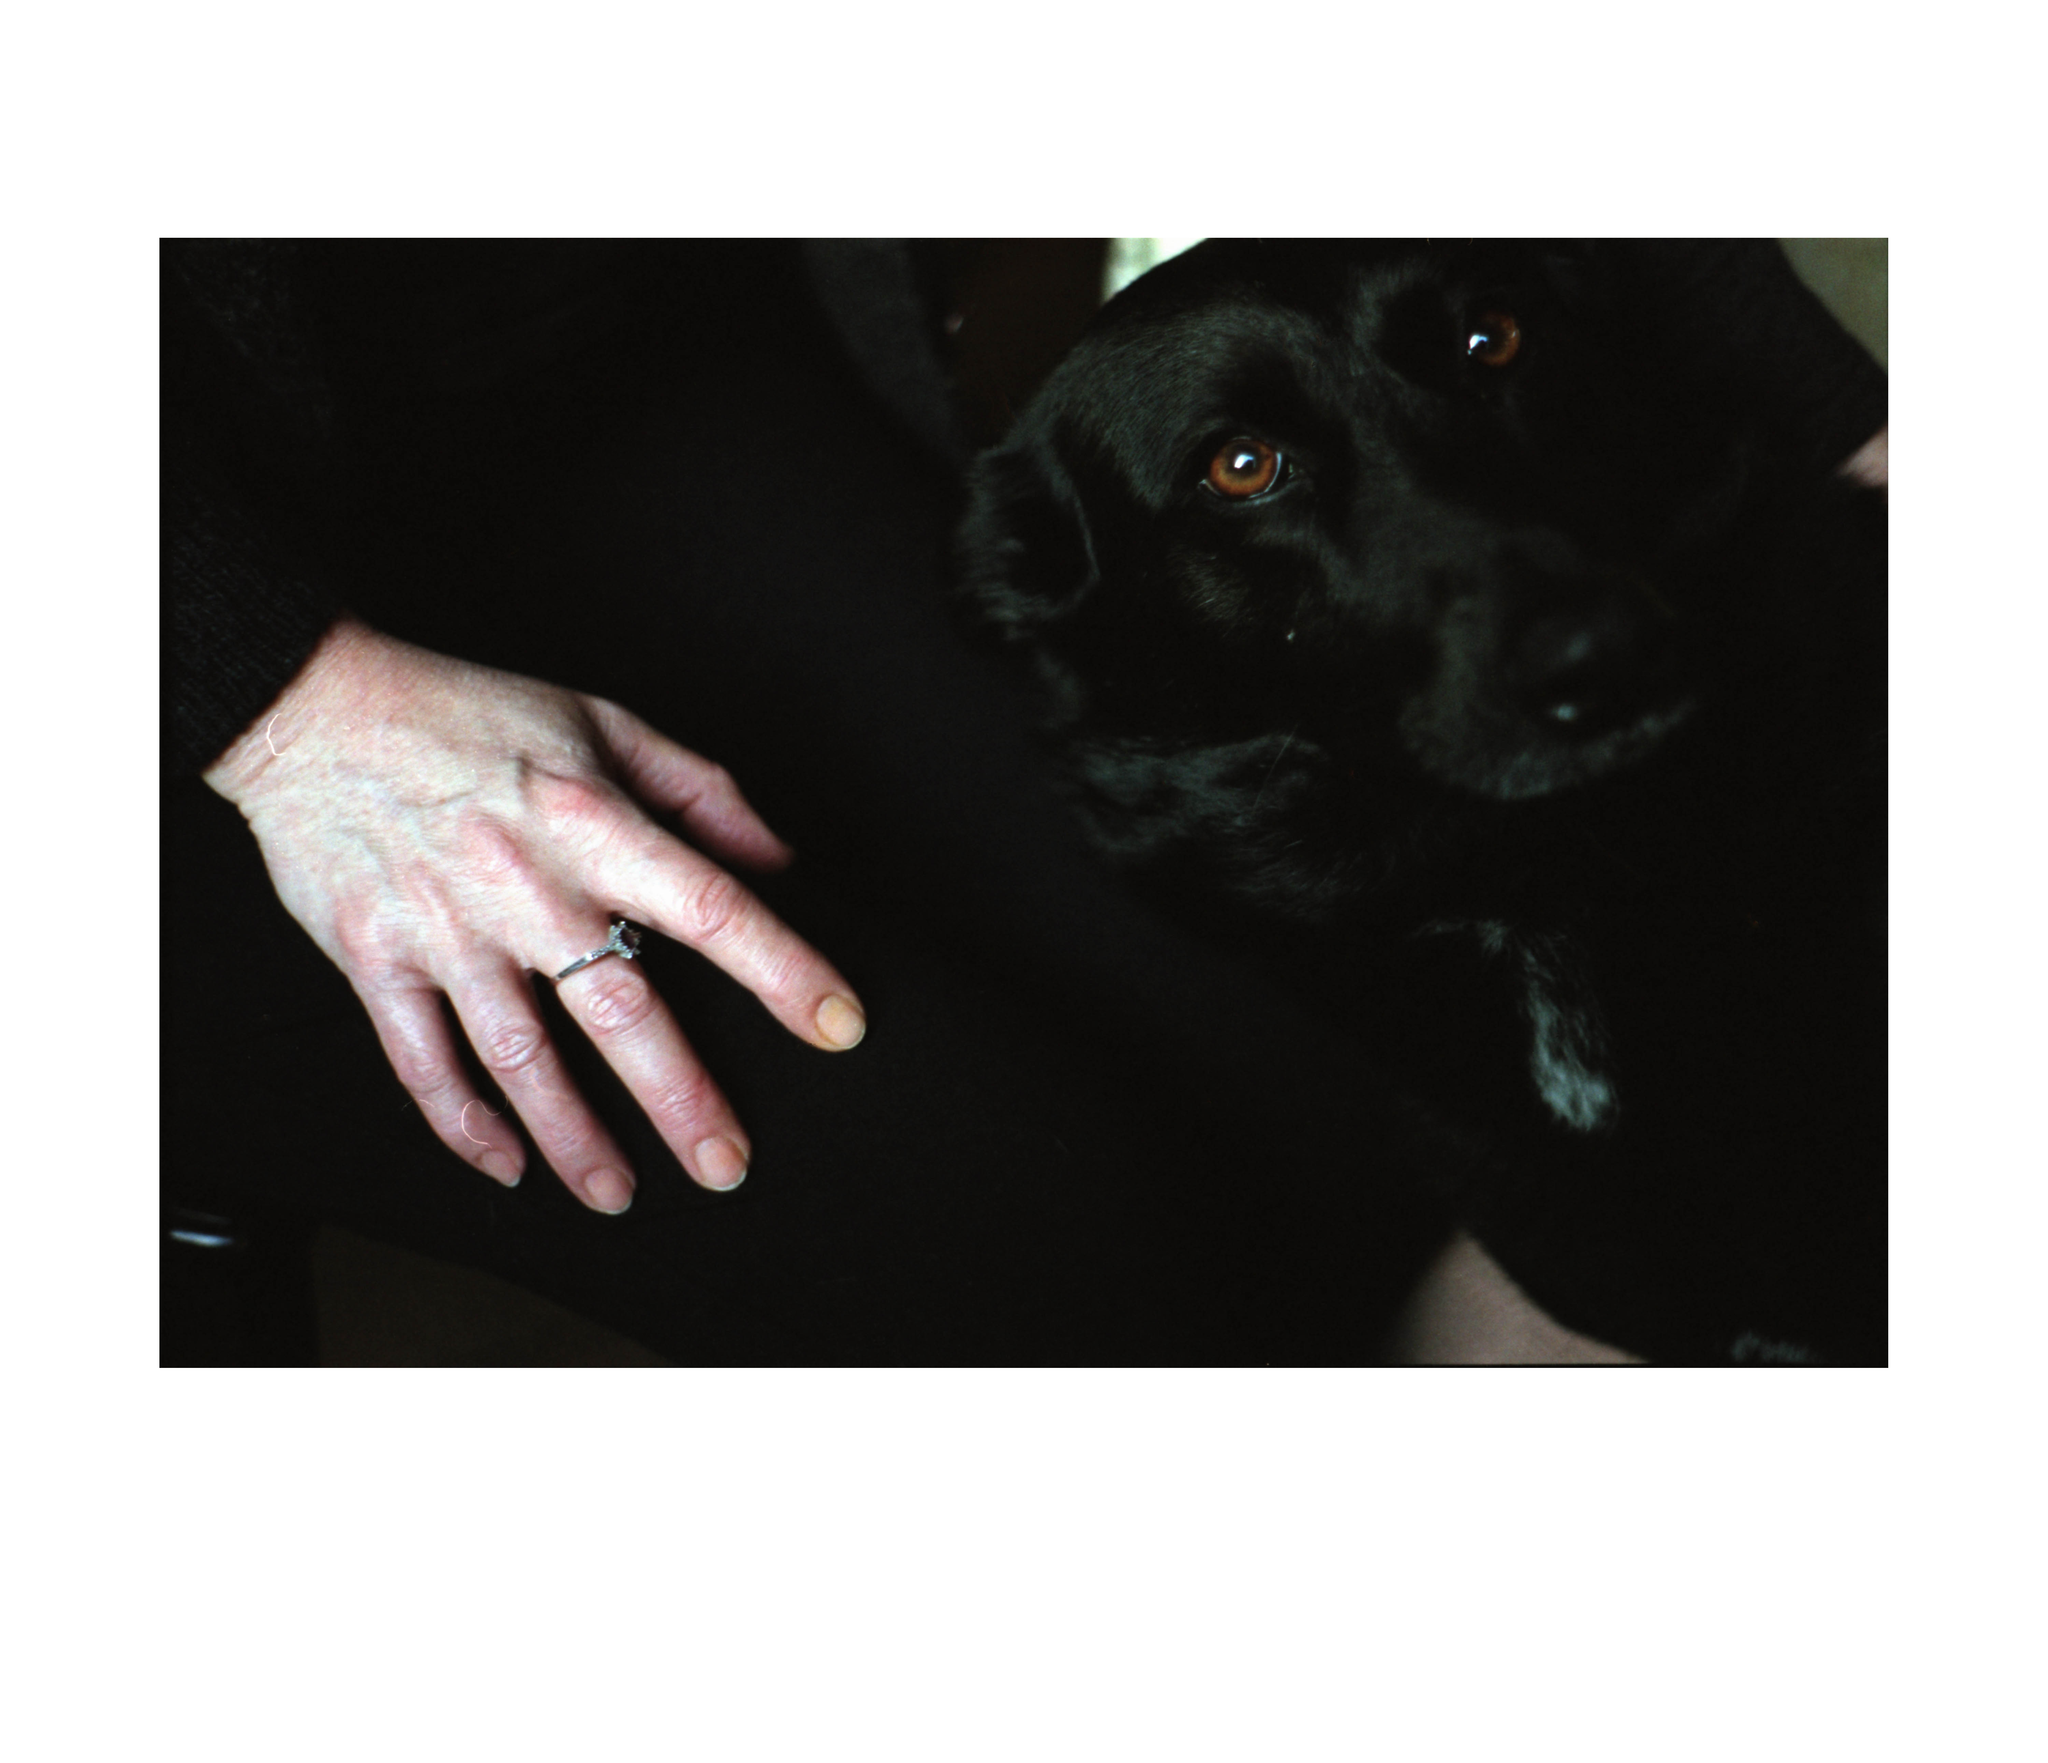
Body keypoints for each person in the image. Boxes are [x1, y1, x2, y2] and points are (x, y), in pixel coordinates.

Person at [164, 238, 1884, 1364]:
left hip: (606, 357)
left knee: (1333, 1114)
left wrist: (1839, 429)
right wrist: (275, 702)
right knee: (1050, 1267)